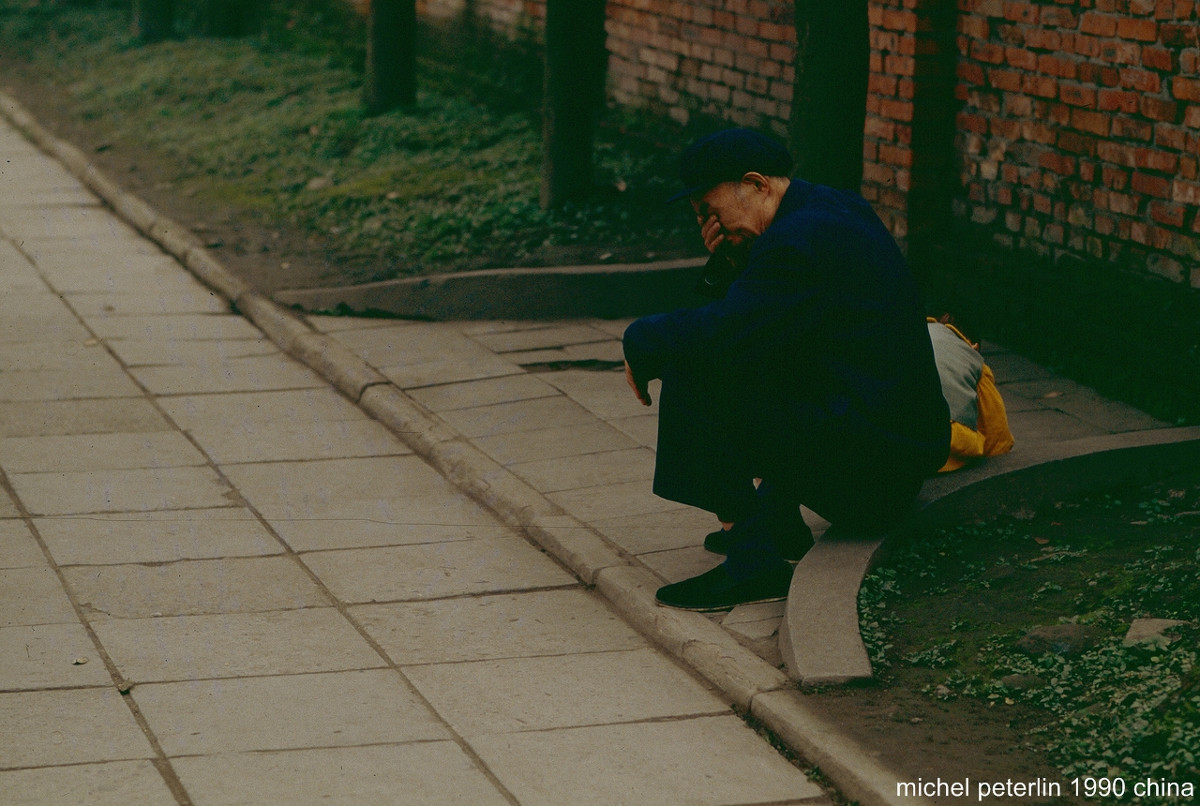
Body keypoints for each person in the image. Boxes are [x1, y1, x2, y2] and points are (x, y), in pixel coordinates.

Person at [622, 128, 951, 611]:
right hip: (889, 455)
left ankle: (752, 560)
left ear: (755, 184)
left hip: (874, 475)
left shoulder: (800, 239)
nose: (708, 223)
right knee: (732, 355)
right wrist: (728, 258)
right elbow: (761, 324)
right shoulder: (828, 208)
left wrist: (639, 338)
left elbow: (727, 332)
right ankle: (773, 521)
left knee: (696, 370)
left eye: (710, 211)